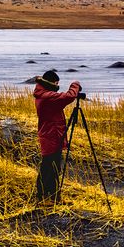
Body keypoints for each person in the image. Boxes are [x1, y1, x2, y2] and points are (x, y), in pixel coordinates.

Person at [28, 70, 88, 204]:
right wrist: (75, 84)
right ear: (51, 83)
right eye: (56, 83)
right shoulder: (47, 96)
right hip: (51, 136)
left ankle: (52, 198)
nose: (57, 86)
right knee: (49, 168)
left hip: (51, 135)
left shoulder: (42, 94)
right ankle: (45, 198)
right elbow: (68, 97)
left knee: (52, 167)